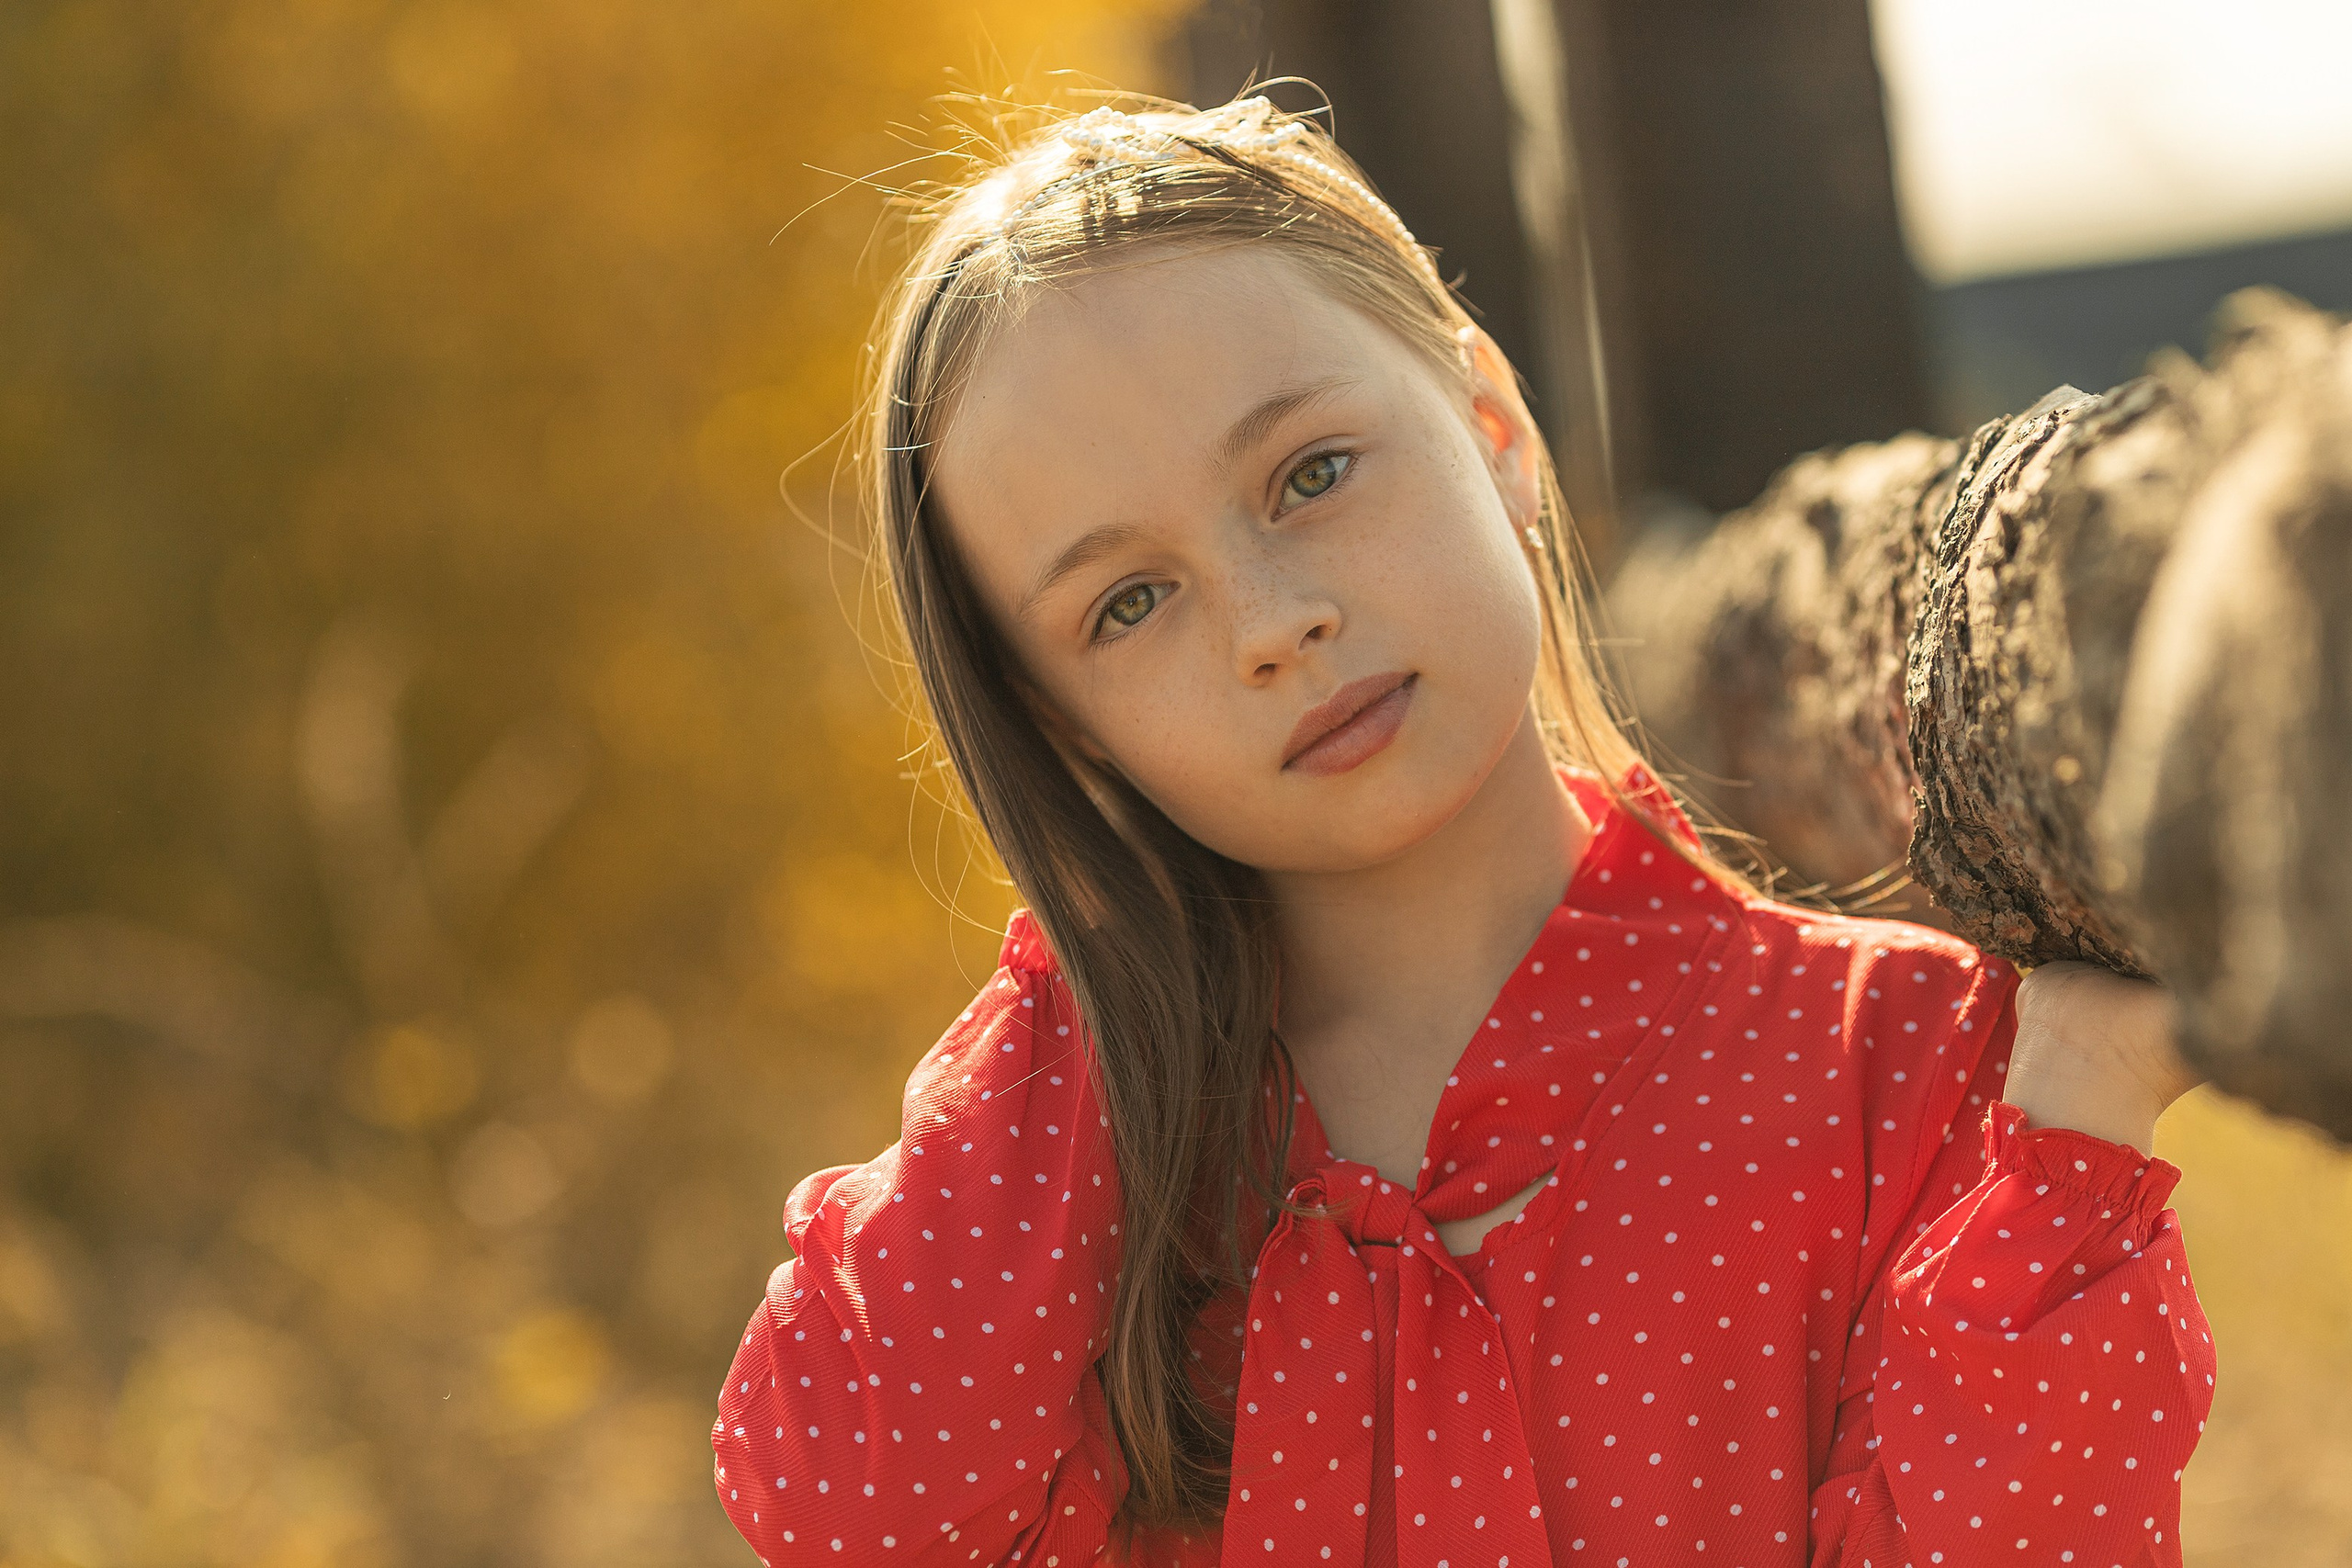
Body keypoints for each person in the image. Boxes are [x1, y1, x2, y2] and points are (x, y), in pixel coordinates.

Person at [711, 92, 2212, 1567]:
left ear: (1491, 430)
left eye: (1310, 475)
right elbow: (859, 1513)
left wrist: (2077, 1130)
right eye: (1129, 603)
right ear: (1065, 728)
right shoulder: (1106, 1187)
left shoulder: (1899, 1063)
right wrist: (1095, 973)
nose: (1272, 623)